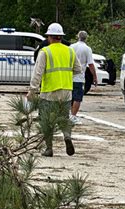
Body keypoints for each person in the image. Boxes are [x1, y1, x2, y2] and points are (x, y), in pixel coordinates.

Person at [27, 23, 82, 157]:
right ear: (61, 37)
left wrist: (32, 90)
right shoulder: (70, 51)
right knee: (64, 118)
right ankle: (67, 136)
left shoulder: (45, 52)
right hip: (66, 91)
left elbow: (37, 73)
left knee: (46, 119)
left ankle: (49, 148)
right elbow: (78, 69)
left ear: (49, 37)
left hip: (49, 92)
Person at [70, 31, 97, 124]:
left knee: (69, 97)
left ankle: (68, 114)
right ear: (86, 38)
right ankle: (73, 116)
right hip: (79, 76)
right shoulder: (87, 49)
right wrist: (94, 76)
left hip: (69, 75)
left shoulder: (71, 47)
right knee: (77, 98)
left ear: (78, 36)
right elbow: (90, 64)